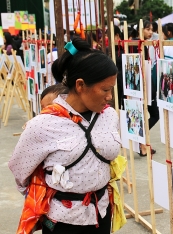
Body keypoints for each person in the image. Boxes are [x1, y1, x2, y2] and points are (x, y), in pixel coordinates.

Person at [8, 37, 121, 233]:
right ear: (80, 85)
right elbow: (20, 172)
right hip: (62, 221)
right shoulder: (43, 125)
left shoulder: (109, 116)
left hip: (101, 213)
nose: (110, 96)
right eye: (105, 89)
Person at [129, 21, 158, 156]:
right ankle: (142, 143)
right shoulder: (136, 44)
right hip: (140, 85)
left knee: (150, 114)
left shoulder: (141, 43)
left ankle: (141, 142)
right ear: (140, 29)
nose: (150, 32)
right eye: (148, 29)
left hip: (142, 84)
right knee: (151, 114)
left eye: (152, 30)